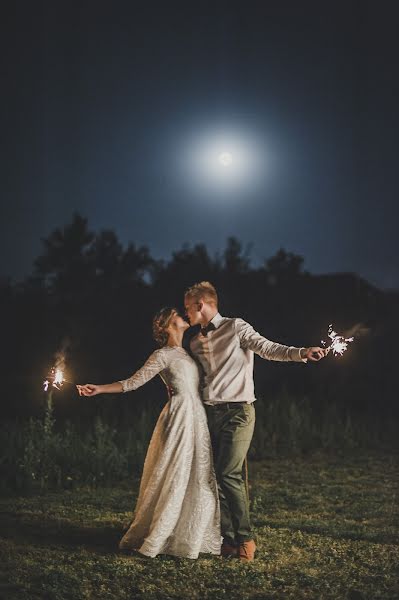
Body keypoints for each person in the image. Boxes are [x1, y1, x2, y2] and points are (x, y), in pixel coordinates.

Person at [184, 281, 327, 562]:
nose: (185, 312)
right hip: (209, 412)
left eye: (188, 307)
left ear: (201, 305)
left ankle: (246, 537)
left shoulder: (235, 327)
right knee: (215, 475)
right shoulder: (193, 342)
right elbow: (196, 377)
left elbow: (267, 348)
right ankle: (228, 540)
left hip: (239, 412)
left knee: (228, 472)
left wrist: (301, 353)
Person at [77, 307, 221, 559]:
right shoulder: (161, 355)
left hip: (196, 415)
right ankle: (159, 535)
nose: (183, 316)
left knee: (196, 471)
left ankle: (188, 535)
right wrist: (99, 389)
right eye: (177, 314)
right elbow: (133, 382)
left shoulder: (187, 353)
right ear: (166, 325)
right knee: (176, 470)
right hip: (178, 416)